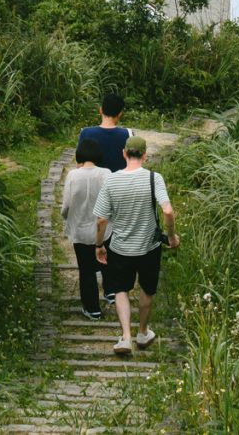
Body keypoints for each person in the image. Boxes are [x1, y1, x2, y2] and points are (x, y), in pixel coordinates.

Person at [91, 140, 175, 357]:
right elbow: (167, 211)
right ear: (145, 156)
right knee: (147, 289)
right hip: (149, 247)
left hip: (120, 248)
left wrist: (99, 245)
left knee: (121, 290)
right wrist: (172, 236)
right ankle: (143, 332)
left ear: (124, 153)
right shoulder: (153, 178)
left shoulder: (111, 180)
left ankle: (126, 337)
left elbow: (101, 220)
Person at [59, 154, 108, 319]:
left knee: (86, 270)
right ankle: (112, 293)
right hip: (102, 229)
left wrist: (67, 217)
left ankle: (92, 308)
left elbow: (66, 206)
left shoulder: (73, 175)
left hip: (80, 230)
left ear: (79, 158)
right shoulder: (106, 173)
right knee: (105, 262)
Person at [76, 92, 130, 171]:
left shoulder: (86, 133)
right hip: (118, 182)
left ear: (101, 110)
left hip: (93, 182)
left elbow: (80, 165)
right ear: (120, 114)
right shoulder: (128, 134)